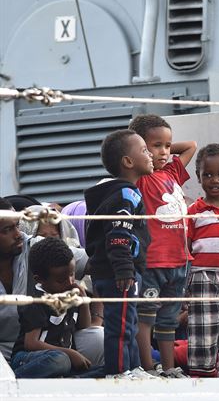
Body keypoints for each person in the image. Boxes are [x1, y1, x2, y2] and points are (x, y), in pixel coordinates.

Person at [128, 114, 196, 378]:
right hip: (154, 262)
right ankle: (148, 367)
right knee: (146, 317)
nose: (165, 152)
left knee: (168, 318)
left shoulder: (172, 172)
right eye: (156, 146)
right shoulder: (142, 177)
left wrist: (164, 150)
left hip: (180, 261)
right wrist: (145, 153)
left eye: (167, 146)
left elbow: (191, 145)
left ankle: (169, 368)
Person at [84, 129, 155, 379]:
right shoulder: (126, 194)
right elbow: (118, 234)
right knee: (120, 326)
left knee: (129, 324)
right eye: (145, 150)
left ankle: (133, 369)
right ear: (128, 161)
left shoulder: (117, 192)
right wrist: (125, 269)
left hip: (116, 271)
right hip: (119, 273)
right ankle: (120, 375)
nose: (151, 155)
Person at [10, 237, 102, 378]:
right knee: (60, 361)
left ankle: (67, 380)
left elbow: (84, 326)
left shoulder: (68, 293)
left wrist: (83, 302)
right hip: (28, 358)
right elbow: (31, 343)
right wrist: (70, 353)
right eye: (61, 280)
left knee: (104, 370)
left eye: (72, 274)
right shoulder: (36, 301)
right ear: (39, 279)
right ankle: (13, 380)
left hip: (62, 358)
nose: (70, 282)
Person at [186, 143, 219, 376]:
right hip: (203, 277)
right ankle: (202, 376)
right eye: (207, 174)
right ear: (198, 177)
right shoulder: (194, 212)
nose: (214, 180)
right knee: (203, 330)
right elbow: (186, 248)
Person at [0, 197, 30, 363]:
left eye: (17, 225)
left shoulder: (33, 247)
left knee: (96, 339)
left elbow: (94, 263)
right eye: (8, 230)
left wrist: (97, 318)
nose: (18, 234)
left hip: (38, 347)